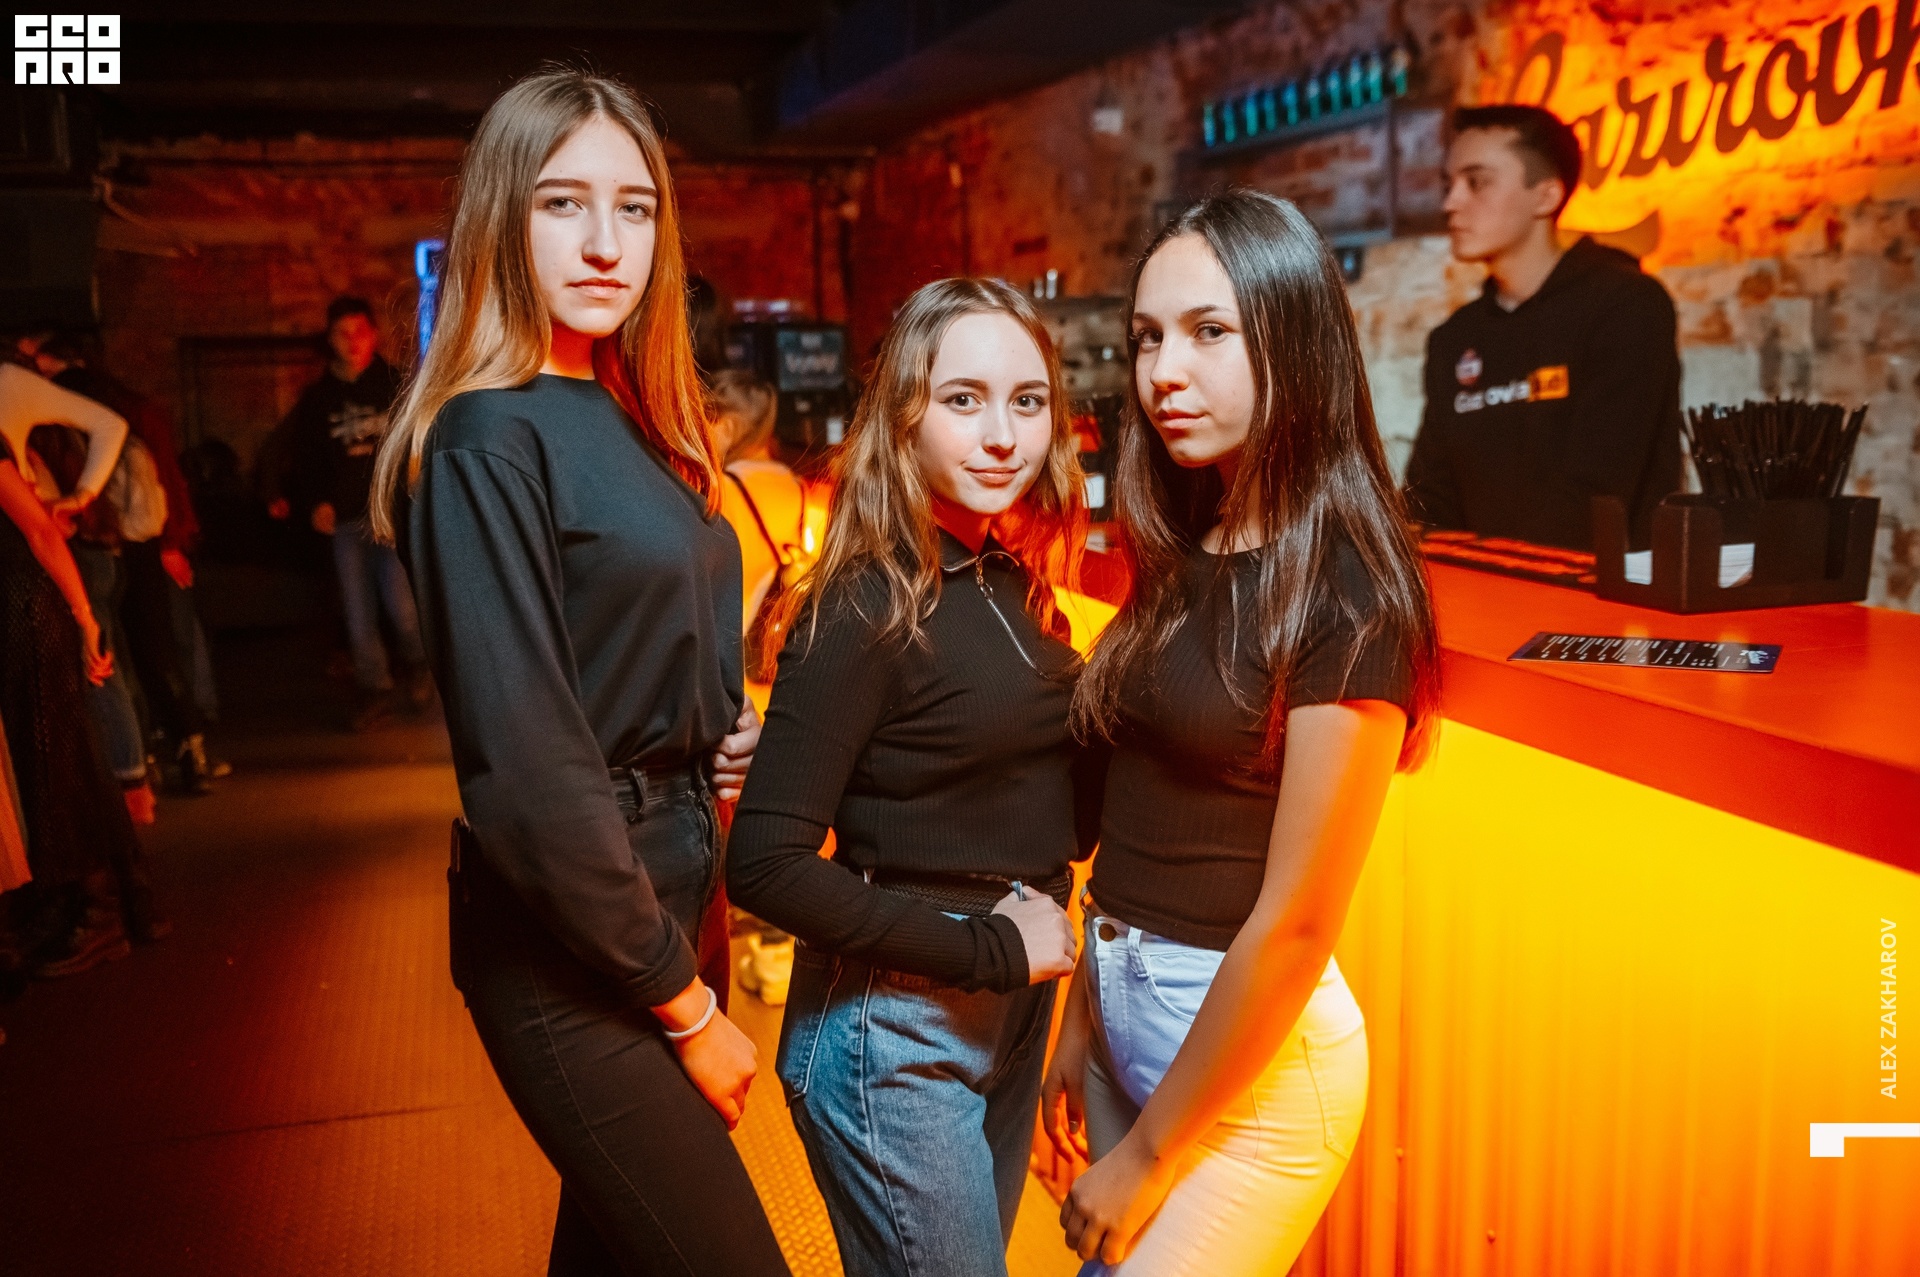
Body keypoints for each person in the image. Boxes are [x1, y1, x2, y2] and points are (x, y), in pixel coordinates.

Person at [368, 68, 787, 1276]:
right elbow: (529, 770)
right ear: (503, 218)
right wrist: (686, 1006)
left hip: (673, 886)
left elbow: (652, 622)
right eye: (564, 204)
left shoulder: (633, 411)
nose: (607, 243)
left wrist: (723, 721)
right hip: (576, 933)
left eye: (634, 208)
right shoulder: (485, 434)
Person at [1043, 190, 1440, 1275]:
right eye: (1148, 337)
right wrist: (1081, 1021)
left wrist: (1148, 1154)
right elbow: (1140, 816)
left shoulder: (1350, 588)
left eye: (1208, 331)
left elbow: (1299, 925)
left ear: (1293, 339)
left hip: (1253, 1077)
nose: (1163, 371)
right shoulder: (1189, 543)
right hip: (1127, 1015)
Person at [728, 277, 1094, 1277]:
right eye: (964, 399)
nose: (1003, 435)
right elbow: (764, 862)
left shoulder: (1008, 582)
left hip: (1009, 1005)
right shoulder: (866, 600)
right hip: (896, 1030)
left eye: (1027, 401)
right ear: (903, 415)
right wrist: (983, 947)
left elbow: (1052, 814)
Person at [1403, 104, 1682, 551]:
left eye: (1477, 182)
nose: (1450, 203)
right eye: (1448, 184)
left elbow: (1599, 493)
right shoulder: (1454, 338)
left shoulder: (1625, 306)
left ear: (1546, 196)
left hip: (1597, 588)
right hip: (1482, 584)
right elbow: (1430, 497)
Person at [0, 402, 165, 980]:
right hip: (17, 612)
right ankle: (86, 905)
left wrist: (85, 618)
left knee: (59, 762)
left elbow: (40, 530)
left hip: (27, 610)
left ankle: (101, 911)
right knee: (47, 762)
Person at [31, 332, 226, 792]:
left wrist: (163, 542)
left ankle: (152, 758)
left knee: (132, 654)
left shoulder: (92, 426)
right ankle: (173, 751)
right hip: (130, 545)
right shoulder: (117, 419)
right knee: (148, 651)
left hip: (117, 547)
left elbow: (158, 487)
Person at [275, 296, 427, 729]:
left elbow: (415, 446)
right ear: (331, 339)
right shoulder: (319, 398)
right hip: (345, 518)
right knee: (358, 611)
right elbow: (306, 457)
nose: (353, 341)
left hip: (390, 515)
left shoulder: (395, 385)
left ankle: (419, 664)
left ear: (373, 334)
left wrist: (412, 498)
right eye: (343, 334)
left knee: (401, 604)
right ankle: (375, 688)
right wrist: (316, 501)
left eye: (360, 331)